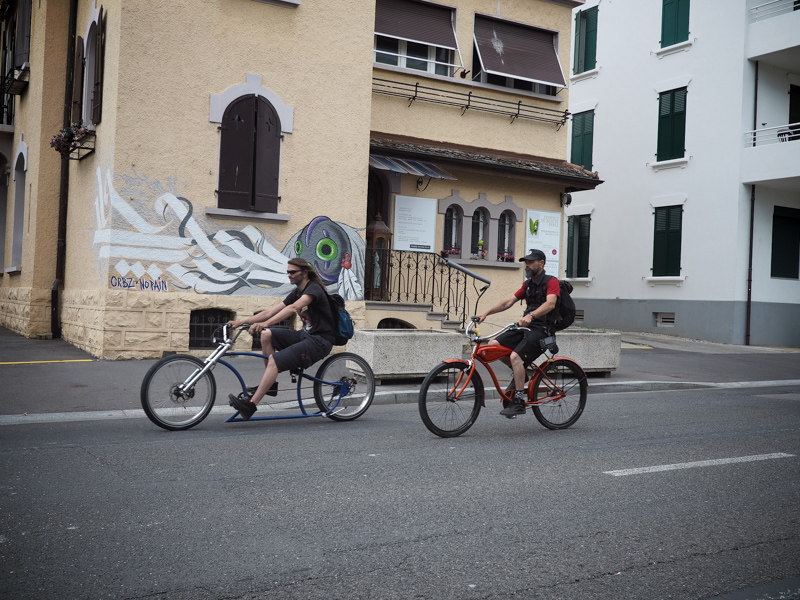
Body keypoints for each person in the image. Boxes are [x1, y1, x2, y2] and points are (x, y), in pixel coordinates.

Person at [226, 257, 336, 420]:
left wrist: (266, 323)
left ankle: (251, 405)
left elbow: (293, 308)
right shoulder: (297, 291)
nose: (289, 275)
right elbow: (270, 312)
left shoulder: (314, 289)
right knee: (266, 334)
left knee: (274, 361)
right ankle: (271, 385)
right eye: (288, 272)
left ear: (304, 273)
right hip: (305, 336)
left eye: (293, 272)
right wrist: (241, 322)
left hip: (319, 341)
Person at [475, 249, 560, 417]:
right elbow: (508, 302)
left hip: (542, 330)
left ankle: (519, 401)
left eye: (530, 262)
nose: (526, 265)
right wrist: (486, 313)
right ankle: (520, 373)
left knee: (515, 357)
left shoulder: (552, 282)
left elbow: (550, 304)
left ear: (541, 263)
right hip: (526, 328)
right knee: (494, 346)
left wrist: (531, 315)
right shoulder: (527, 285)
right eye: (525, 262)